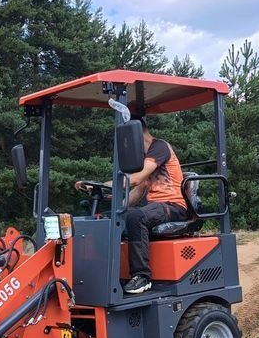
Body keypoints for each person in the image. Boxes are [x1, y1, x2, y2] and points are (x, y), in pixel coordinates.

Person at [76, 118, 188, 294]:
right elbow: (137, 191)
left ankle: (142, 277)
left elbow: (135, 179)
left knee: (137, 217)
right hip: (158, 207)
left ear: (135, 132)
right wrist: (114, 204)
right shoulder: (146, 158)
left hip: (174, 206)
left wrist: (100, 184)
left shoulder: (159, 147)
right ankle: (103, 274)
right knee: (108, 219)